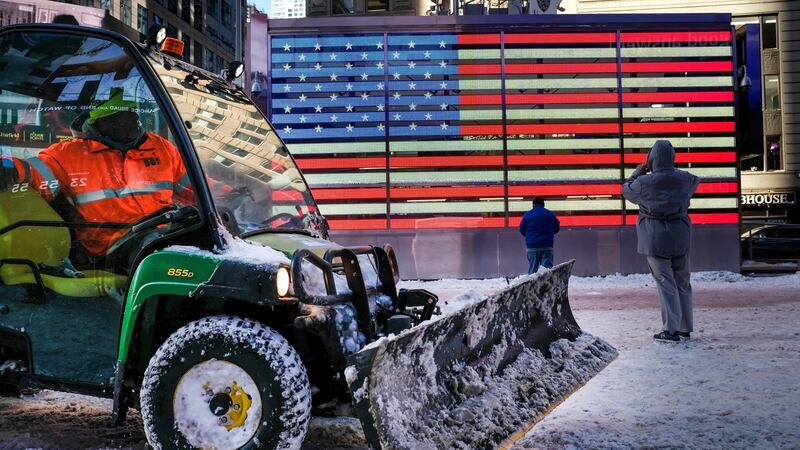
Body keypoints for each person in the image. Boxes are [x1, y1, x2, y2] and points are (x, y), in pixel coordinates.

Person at [3, 90, 194, 261]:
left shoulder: (161, 147)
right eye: (124, 113)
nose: (135, 117)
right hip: (112, 247)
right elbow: (32, 172)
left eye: (134, 111)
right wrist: (6, 166)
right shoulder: (69, 155)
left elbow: (192, 186)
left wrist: (223, 195)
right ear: (103, 121)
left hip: (166, 233)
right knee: (165, 256)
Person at [622, 140, 700, 343]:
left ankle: (670, 329)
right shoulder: (685, 179)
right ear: (673, 157)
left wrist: (638, 171)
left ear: (651, 159)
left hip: (655, 238)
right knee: (683, 282)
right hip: (680, 236)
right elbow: (694, 182)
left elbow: (626, 190)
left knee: (666, 283)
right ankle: (685, 328)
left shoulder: (644, 183)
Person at [518, 196, 560, 274]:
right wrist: (548, 234)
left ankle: (532, 285)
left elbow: (522, 230)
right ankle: (546, 286)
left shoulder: (527, 215)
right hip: (546, 246)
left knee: (533, 271)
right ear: (543, 204)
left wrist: (530, 236)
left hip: (532, 247)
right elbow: (557, 228)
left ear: (533, 204)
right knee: (546, 271)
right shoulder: (550, 214)